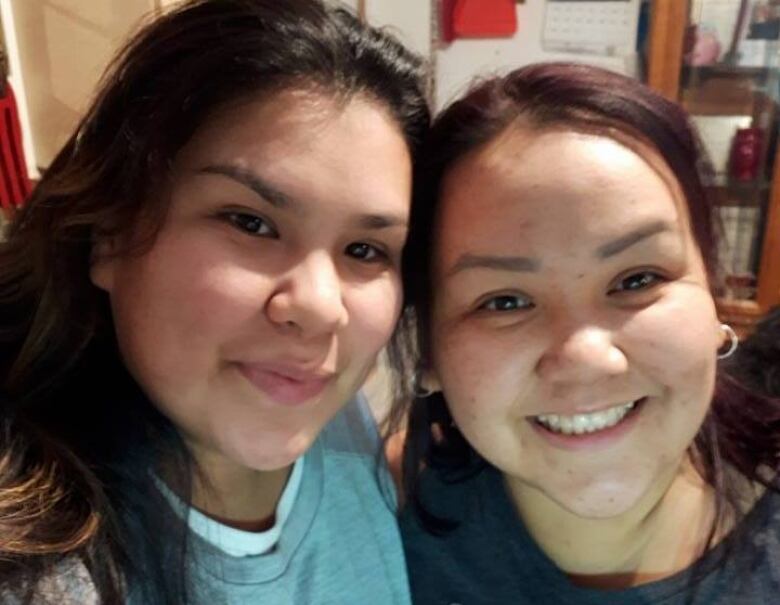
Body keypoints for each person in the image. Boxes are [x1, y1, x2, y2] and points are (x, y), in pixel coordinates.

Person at [0, 1, 429, 603]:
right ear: (109, 233)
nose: (321, 306)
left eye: (364, 249)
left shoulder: (321, 408)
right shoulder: (42, 574)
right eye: (250, 222)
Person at [393, 62, 780, 604]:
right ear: (427, 349)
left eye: (637, 279)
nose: (588, 359)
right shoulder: (372, 543)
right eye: (505, 301)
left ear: (712, 292)